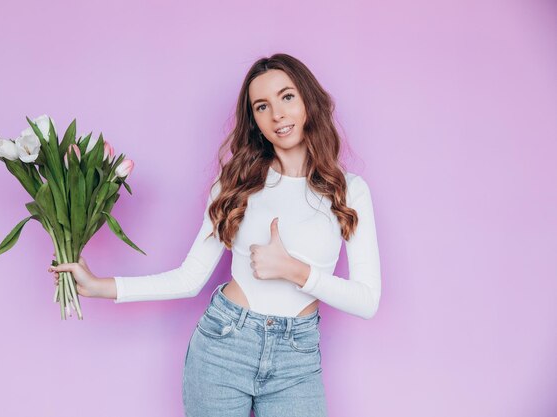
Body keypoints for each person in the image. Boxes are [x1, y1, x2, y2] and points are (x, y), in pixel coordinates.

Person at [49, 53, 381, 417]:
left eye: (287, 97)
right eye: (262, 106)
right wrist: (99, 286)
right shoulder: (236, 184)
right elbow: (189, 278)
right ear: (254, 120)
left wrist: (295, 271)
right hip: (224, 344)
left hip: (297, 358)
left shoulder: (350, 191)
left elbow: (367, 301)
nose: (277, 115)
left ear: (308, 101)